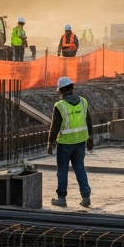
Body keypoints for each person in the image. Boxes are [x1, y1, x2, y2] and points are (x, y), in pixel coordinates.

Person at [47, 76, 93, 207]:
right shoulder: (83, 101)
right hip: (80, 142)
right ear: (72, 87)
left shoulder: (60, 105)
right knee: (79, 169)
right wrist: (90, 138)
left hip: (65, 143)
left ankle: (61, 198)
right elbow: (89, 121)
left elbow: (55, 126)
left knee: (62, 170)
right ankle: (86, 197)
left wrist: (50, 142)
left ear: (60, 90)